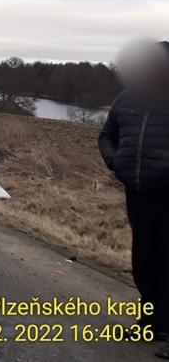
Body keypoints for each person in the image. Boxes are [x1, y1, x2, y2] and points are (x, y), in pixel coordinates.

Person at [98, 40, 169, 358]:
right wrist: (116, 162)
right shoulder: (127, 98)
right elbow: (106, 135)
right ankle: (151, 323)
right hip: (137, 193)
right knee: (144, 262)